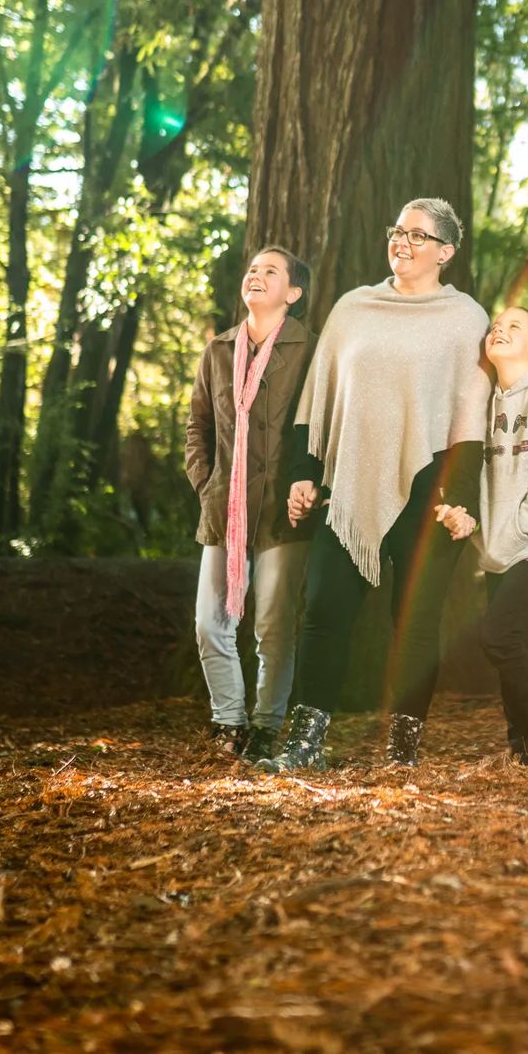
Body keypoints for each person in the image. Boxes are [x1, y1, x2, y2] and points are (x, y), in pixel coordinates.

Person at [257, 198, 490, 774]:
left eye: (418, 235)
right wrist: (304, 474)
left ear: (446, 251)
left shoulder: (466, 319)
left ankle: (402, 752)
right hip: (349, 484)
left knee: (413, 622)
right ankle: (305, 743)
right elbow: (317, 400)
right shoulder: (353, 308)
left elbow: (470, 414)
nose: (402, 242)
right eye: (396, 231)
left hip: (430, 489)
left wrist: (457, 497)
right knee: (323, 612)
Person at [186, 247, 317, 763]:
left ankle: (266, 725)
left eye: (271, 271)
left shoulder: (311, 350)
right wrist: (207, 482)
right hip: (225, 507)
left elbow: (321, 426)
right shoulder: (219, 349)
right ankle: (229, 720)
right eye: (252, 270)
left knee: (273, 625)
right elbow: (197, 427)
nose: (256, 276)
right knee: (208, 621)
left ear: (294, 293)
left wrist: (307, 486)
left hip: (284, 510)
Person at [436, 306, 528, 765]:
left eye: (514, 326)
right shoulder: (487, 400)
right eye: (496, 325)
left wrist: (517, 531)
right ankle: (522, 741)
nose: (499, 329)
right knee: (511, 640)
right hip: (498, 545)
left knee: (497, 635)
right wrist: (475, 526)